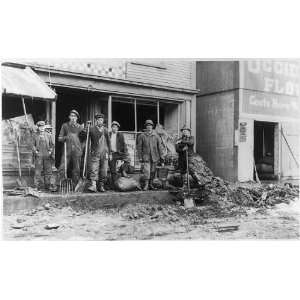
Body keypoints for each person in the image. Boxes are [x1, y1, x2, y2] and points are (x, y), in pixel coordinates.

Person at [58, 109, 84, 186]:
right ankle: (60, 184)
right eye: (71, 116)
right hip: (67, 149)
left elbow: (84, 140)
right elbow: (59, 138)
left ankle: (75, 184)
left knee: (77, 168)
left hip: (77, 150)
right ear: (69, 117)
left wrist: (81, 149)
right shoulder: (65, 126)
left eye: (75, 116)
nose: (73, 118)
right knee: (63, 166)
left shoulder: (80, 127)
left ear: (77, 118)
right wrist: (66, 137)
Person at [137, 119, 165, 190]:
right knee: (147, 171)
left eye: (150, 125)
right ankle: (146, 185)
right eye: (147, 125)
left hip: (155, 156)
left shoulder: (156, 136)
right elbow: (139, 147)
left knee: (153, 171)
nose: (149, 127)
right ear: (145, 127)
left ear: (152, 127)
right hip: (146, 157)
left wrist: (162, 158)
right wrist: (140, 157)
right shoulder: (142, 136)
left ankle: (151, 184)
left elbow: (160, 147)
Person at [87, 113, 111, 192]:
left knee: (104, 170)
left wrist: (110, 153)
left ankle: (101, 185)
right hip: (95, 152)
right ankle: (93, 186)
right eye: (98, 120)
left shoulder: (106, 130)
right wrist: (86, 128)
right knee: (94, 169)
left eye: (101, 120)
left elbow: (109, 142)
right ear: (96, 121)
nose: (100, 121)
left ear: (103, 121)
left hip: (105, 153)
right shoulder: (91, 129)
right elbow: (83, 135)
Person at [32, 121, 56, 191]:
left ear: (44, 127)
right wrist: (35, 151)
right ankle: (36, 186)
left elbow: (52, 145)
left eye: (43, 127)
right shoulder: (35, 135)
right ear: (38, 127)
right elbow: (32, 145)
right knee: (37, 171)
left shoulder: (48, 135)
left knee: (48, 171)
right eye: (40, 127)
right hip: (39, 155)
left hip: (47, 155)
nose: (41, 128)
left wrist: (50, 151)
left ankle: (47, 186)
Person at [109, 121, 131, 186]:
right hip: (112, 154)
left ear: (118, 128)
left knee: (128, 159)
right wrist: (108, 154)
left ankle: (123, 170)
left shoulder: (120, 135)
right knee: (113, 170)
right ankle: (115, 184)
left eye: (116, 127)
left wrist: (126, 153)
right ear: (111, 128)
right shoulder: (108, 134)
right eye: (113, 127)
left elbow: (124, 145)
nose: (114, 128)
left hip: (119, 153)